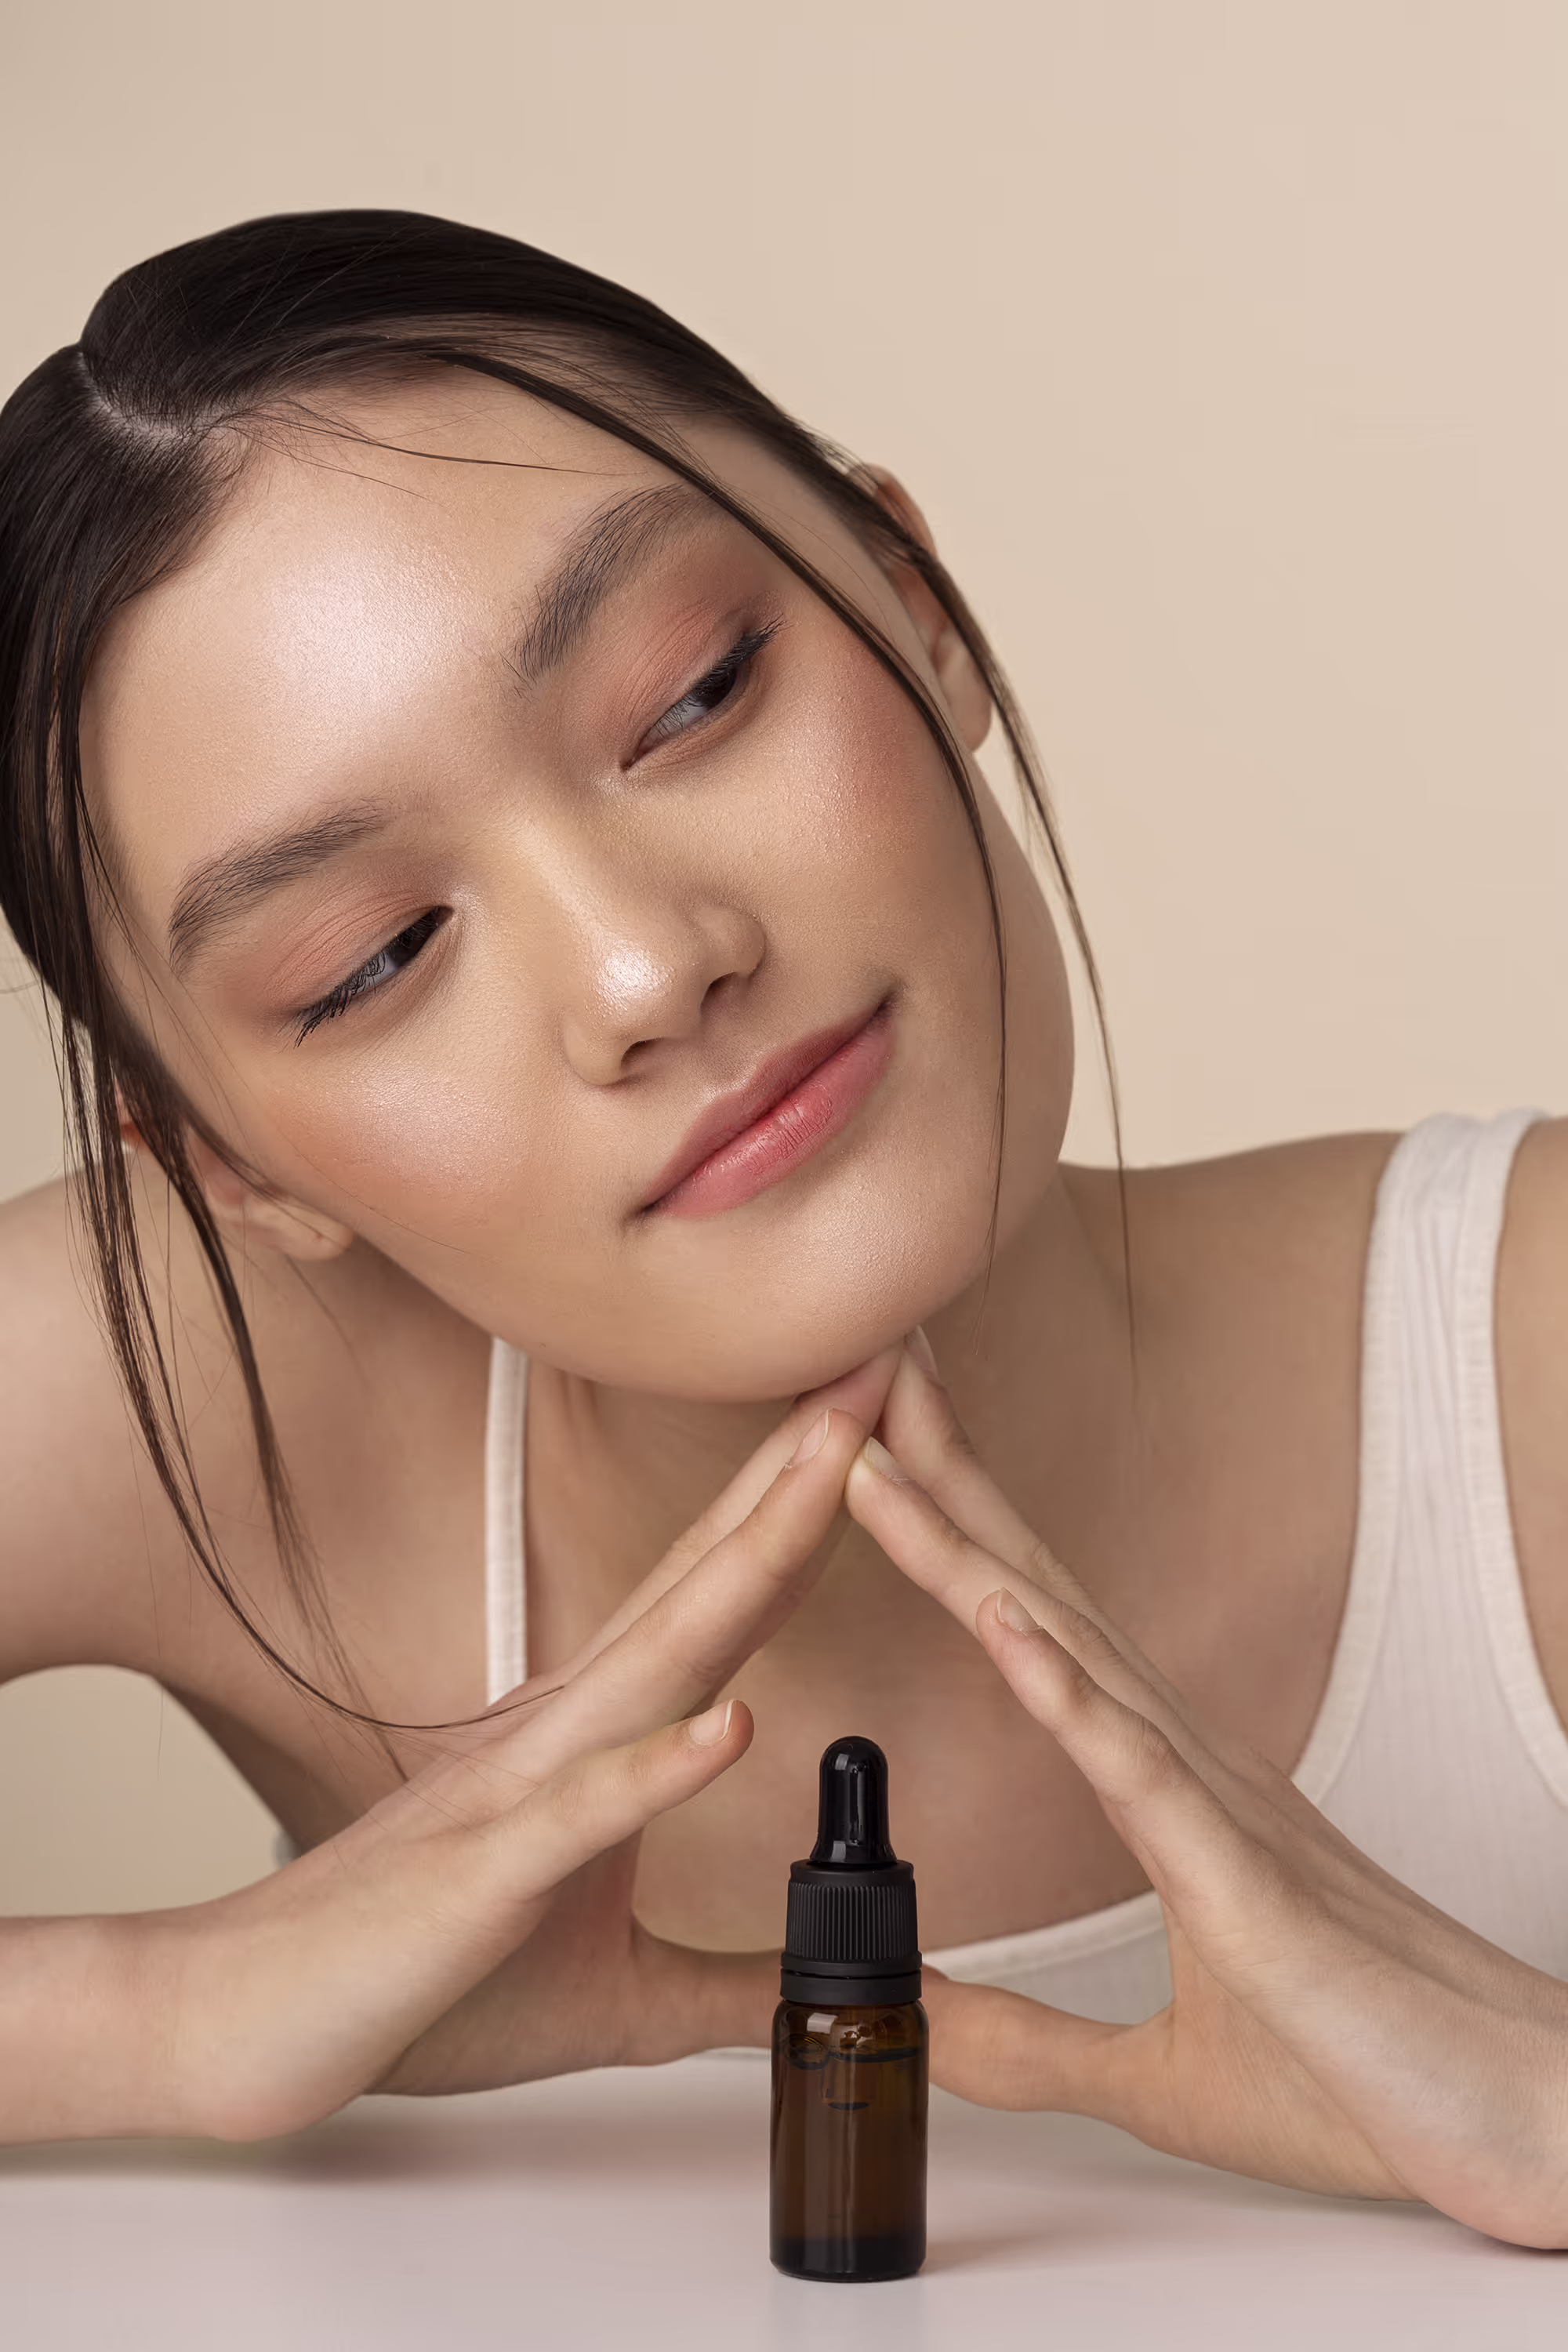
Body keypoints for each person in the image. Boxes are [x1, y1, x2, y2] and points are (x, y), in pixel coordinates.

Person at [2, 210, 1564, 2243]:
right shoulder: (189, 1410)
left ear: (918, 599)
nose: (648, 967)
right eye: (376, 955)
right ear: (228, 1164)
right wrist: (168, 2008)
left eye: (697, 691)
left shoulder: (1527, 1356)